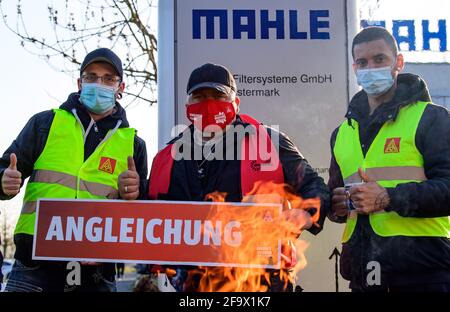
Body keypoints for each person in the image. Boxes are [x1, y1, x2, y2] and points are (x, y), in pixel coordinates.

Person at [123, 63, 331, 291]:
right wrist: (137, 191)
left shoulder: (270, 142)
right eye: (199, 97)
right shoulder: (167, 156)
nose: (208, 104)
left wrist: (305, 214)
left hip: (260, 281)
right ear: (187, 106)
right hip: (189, 283)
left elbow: (313, 185)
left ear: (236, 103)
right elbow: (158, 211)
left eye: (217, 95)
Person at [0, 48, 148, 292]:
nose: (99, 83)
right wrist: (4, 182)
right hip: (33, 269)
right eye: (91, 77)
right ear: (80, 83)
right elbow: (5, 169)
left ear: (120, 88)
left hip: (97, 276)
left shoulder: (134, 145)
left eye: (109, 79)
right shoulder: (45, 124)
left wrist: (136, 192)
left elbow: (138, 216)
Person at [328, 27, 450, 292]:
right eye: (362, 62)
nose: (370, 68)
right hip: (363, 276)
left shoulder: (432, 119)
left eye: (379, 59)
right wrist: (336, 206)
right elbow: (337, 199)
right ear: (354, 68)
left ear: (399, 62)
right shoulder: (342, 134)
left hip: (422, 274)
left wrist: (388, 197)